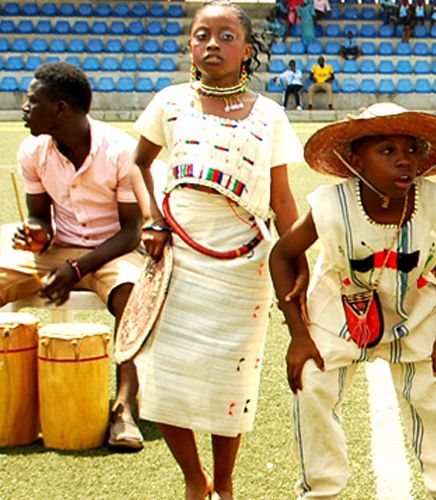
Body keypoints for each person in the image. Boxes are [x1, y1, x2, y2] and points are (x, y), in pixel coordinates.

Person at [129, 2, 304, 498]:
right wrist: (153, 219)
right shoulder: (168, 103)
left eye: (226, 37)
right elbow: (137, 164)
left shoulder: (269, 114)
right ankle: (194, 480)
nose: (212, 44)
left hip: (243, 267)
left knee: (231, 383)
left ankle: (224, 483)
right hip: (176, 263)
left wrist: (297, 263)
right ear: (190, 45)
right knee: (162, 376)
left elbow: (282, 198)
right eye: (202, 34)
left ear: (247, 50)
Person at [270, 102, 436, 499]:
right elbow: (281, 254)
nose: (404, 161)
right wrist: (298, 334)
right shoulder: (330, 204)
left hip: (414, 309)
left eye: (411, 150)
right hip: (341, 306)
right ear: (355, 161)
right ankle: (321, 490)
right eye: (387, 151)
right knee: (311, 381)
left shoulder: (435, 201)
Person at [0, 61, 146, 451]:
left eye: (33, 103)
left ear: (61, 109)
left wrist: (77, 268)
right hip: (60, 250)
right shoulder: (33, 150)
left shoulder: (120, 151)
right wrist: (35, 233)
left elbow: (131, 232)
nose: (24, 109)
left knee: (130, 296)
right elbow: (38, 216)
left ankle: (124, 410)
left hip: (114, 251)